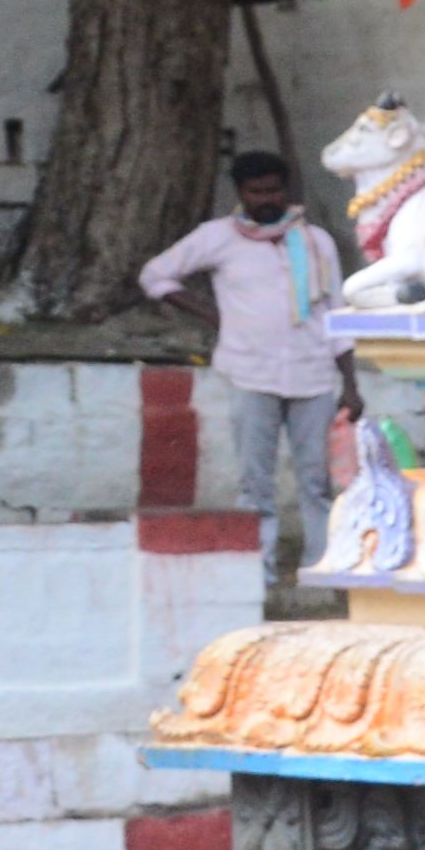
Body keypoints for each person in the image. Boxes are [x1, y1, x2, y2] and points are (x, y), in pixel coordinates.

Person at [138, 147, 350, 588]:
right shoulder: (216, 237)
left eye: (274, 190)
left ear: (285, 190)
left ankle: (322, 573)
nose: (266, 199)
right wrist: (213, 316)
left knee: (316, 481)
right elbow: (156, 276)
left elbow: (337, 315)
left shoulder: (317, 242)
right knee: (255, 483)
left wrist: (352, 384)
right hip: (250, 373)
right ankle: (258, 575)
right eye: (257, 191)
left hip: (314, 375)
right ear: (241, 192)